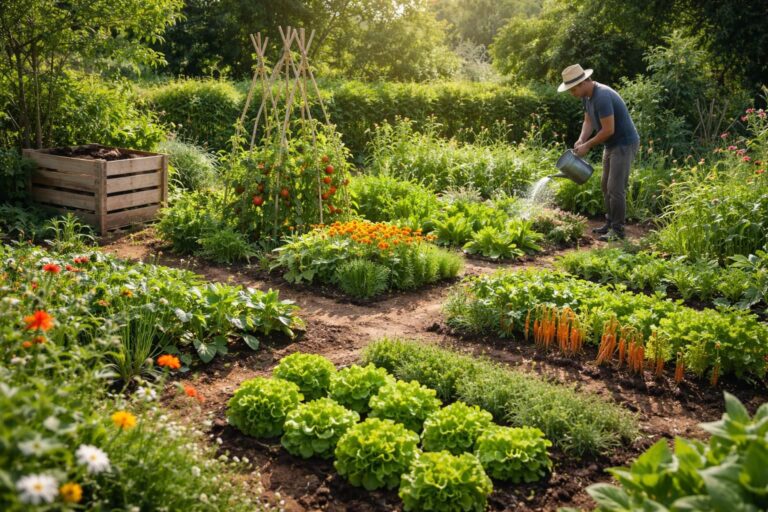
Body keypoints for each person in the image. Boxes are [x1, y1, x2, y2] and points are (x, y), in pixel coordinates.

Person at [557, 64, 639, 240]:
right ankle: (610, 224)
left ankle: (617, 231)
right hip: (611, 145)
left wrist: (588, 145)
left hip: (624, 143)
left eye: (572, 90)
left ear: (583, 82)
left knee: (615, 188)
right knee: (605, 185)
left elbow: (608, 129)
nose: (572, 93)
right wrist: (581, 139)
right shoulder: (587, 96)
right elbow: (588, 122)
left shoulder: (601, 96)